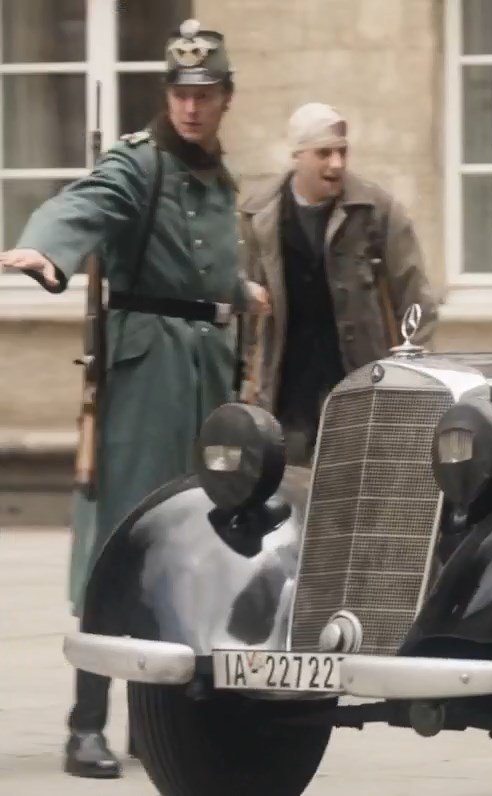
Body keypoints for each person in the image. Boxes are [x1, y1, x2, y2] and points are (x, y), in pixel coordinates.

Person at [0, 19, 265, 779]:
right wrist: (46, 250)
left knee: (194, 544)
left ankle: (160, 720)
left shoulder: (218, 177)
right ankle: (86, 723)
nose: (191, 107)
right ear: (168, 95)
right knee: (122, 542)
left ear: (226, 98)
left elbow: (201, 264)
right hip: (146, 377)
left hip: (207, 374)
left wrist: (240, 289)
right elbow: (86, 203)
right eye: (181, 93)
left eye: (205, 94)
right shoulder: (137, 162)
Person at [237, 102, 438, 464]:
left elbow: (415, 299)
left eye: (342, 152)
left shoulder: (376, 210)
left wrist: (414, 380)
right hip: (285, 394)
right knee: (288, 486)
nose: (337, 164)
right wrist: (241, 381)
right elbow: (240, 308)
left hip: (359, 384)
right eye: (324, 153)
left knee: (357, 483)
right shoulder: (259, 214)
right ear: (298, 155)